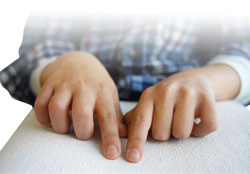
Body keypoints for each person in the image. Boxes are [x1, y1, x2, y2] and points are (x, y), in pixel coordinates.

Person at [1, 13, 250, 163]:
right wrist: (60, 64)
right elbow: (38, 50)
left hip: (203, 104)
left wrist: (211, 79)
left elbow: (242, 45)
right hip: (72, 105)